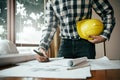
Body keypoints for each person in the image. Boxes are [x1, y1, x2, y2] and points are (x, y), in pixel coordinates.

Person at [35, 0, 115, 62]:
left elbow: (107, 12)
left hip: (86, 44)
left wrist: (105, 35)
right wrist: (42, 47)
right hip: (65, 44)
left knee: (89, 75)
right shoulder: (51, 1)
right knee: (63, 76)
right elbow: (50, 25)